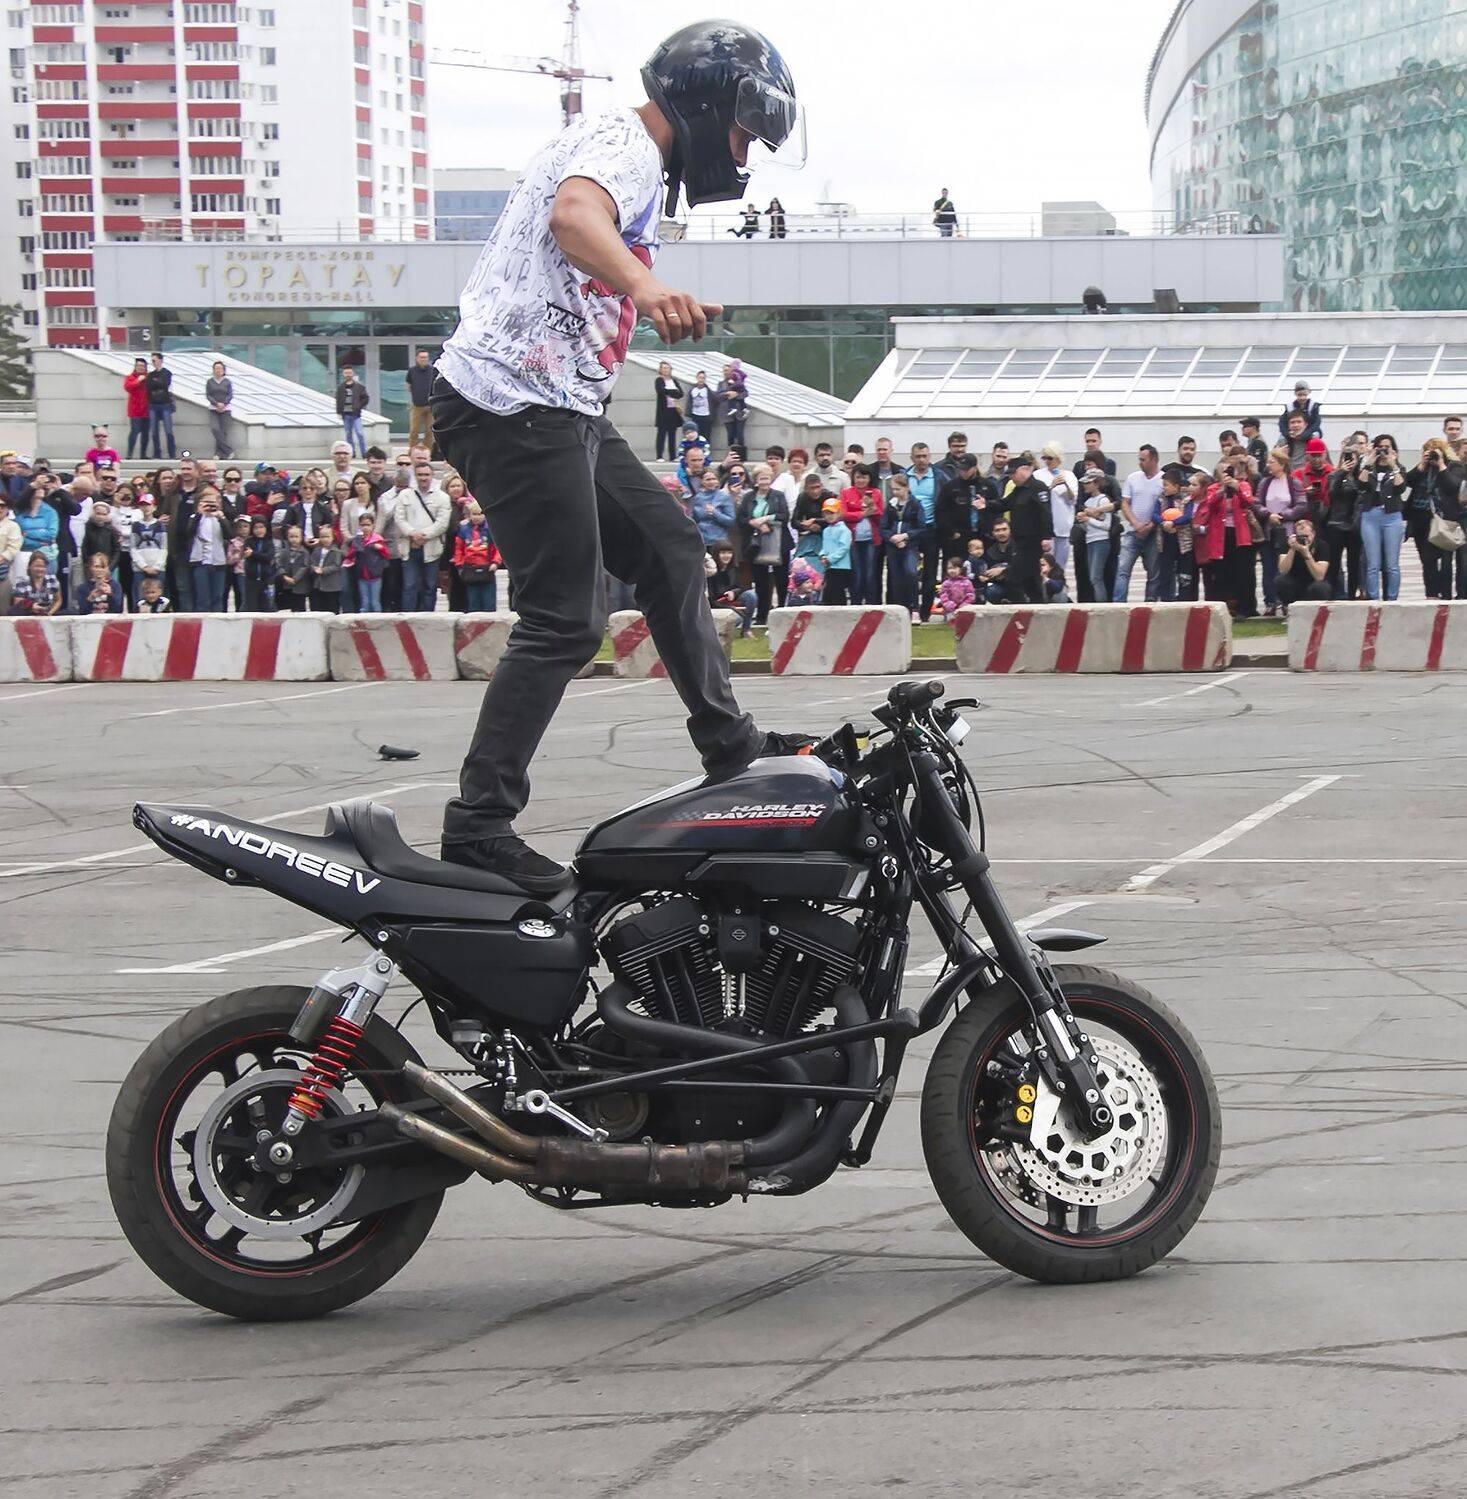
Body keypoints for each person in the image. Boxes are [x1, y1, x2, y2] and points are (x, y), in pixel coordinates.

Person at [427, 20, 804, 887]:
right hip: (510, 401)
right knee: (566, 617)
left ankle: (731, 747)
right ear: (707, 106)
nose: (743, 154)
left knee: (668, 549)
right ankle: (478, 825)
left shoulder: (631, 153)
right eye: (744, 133)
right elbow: (572, 216)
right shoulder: (625, 146)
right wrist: (643, 282)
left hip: (559, 405)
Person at [380, 458, 451, 612]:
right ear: (415, 476)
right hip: (409, 546)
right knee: (409, 585)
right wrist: (413, 534)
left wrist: (423, 536)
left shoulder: (442, 497)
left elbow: (442, 523)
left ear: (432, 476)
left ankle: (428, 618)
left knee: (430, 586)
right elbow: (400, 519)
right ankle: (408, 618)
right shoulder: (405, 495)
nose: (423, 478)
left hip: (432, 547)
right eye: (420, 474)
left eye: (426, 474)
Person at [1192, 460, 1257, 617]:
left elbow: (1248, 502)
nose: (1226, 474)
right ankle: (1223, 607)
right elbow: (1209, 504)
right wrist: (1222, 490)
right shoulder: (1213, 488)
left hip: (1239, 535)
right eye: (1223, 471)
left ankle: (1245, 608)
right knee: (1221, 574)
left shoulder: (1243, 485)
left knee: (1242, 573)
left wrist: (1236, 488)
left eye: (1229, 470)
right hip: (1219, 536)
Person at [1404, 437, 1466, 600]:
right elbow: (1407, 482)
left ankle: (1445, 594)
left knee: (1445, 560)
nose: (1431, 455)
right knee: (1427, 559)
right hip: (1420, 518)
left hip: (1442, 519)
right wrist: (1421, 465)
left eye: (1434, 451)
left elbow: (1453, 487)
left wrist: (1441, 465)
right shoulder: (1423, 468)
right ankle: (1431, 594)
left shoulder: (1454, 466)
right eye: (1427, 451)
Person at [1255, 448, 1307, 615]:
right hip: (1268, 531)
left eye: (1272, 462)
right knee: (1268, 568)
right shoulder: (1264, 483)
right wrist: (1268, 514)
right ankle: (1270, 601)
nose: (1268, 465)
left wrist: (1284, 515)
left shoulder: (1293, 483)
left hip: (1286, 531)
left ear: (1282, 464)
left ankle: (1286, 601)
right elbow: (1256, 503)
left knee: (1285, 567)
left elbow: (1301, 504)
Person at [1112, 445, 1164, 602]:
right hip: (1132, 531)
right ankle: (1119, 603)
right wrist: (1135, 523)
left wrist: (1150, 525)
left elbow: (1164, 506)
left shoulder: (1163, 480)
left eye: (1143, 460)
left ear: (1154, 460)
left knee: (1154, 573)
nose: (1140, 463)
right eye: (1139, 459)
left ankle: (1150, 603)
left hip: (1154, 533)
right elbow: (1125, 503)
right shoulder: (1132, 478)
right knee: (1122, 570)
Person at [1002, 452, 1052, 604]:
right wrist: (986, 505)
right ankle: (1038, 608)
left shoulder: (1038, 488)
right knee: (1030, 581)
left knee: (1013, 578)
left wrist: (1046, 536)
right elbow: (1004, 504)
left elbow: (1045, 513)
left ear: (1025, 470)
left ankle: (1020, 609)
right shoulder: (1018, 490)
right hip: (1020, 541)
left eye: (1013, 473)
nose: (1011, 477)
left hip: (1032, 542)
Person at [839, 461, 883, 605]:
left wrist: (873, 508)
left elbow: (881, 515)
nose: (861, 480)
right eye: (858, 477)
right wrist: (863, 514)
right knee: (856, 574)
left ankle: (871, 604)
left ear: (869, 478)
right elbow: (843, 514)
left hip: (871, 540)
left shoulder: (876, 493)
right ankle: (856, 604)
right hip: (853, 540)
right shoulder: (846, 492)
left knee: (870, 573)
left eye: (864, 477)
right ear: (853, 478)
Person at [1035, 443, 1077, 577]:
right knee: (1045, 566)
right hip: (1046, 529)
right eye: (1044, 458)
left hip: (1063, 527)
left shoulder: (1069, 475)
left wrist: (1066, 485)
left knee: (1060, 568)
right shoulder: (1038, 475)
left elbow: (1073, 500)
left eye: (1050, 458)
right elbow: (1037, 498)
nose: (1047, 461)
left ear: (1058, 458)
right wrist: (1051, 486)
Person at [185, 488, 230, 612]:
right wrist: (199, 514)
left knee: (217, 597)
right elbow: (189, 533)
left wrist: (222, 518)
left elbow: (229, 535)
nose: (209, 506)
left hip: (218, 562)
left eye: (212, 503)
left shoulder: (220, 518)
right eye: (206, 503)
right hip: (200, 562)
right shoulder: (195, 517)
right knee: (202, 598)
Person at [1273, 517, 1331, 612]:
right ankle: (1289, 609)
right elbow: (1283, 570)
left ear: (1313, 534)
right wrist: (1292, 549)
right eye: (1300, 537)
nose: (1304, 540)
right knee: (1280, 581)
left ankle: (1314, 611)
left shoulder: (1322, 546)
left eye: (1307, 536)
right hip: (1295, 581)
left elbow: (1319, 576)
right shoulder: (1288, 544)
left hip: (1313, 581)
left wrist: (1306, 554)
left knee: (1321, 587)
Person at [1076, 468, 1115, 602]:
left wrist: (1088, 519)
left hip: (1101, 540)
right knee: (1093, 577)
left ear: (1097, 483)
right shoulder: (1088, 503)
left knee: (1095, 577)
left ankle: (1102, 604)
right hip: (1090, 540)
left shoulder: (1103, 500)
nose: (1085, 486)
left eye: (1088, 483)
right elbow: (1088, 527)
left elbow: (1106, 526)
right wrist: (1082, 520)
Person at [817, 495, 851, 603]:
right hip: (829, 566)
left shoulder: (844, 530)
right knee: (828, 592)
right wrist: (822, 555)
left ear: (839, 513)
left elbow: (844, 548)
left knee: (837, 592)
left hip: (841, 566)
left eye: (832, 513)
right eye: (826, 514)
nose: (829, 516)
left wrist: (830, 559)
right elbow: (824, 546)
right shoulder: (826, 530)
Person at [8, 551, 60, 616]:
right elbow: (17, 604)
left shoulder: (52, 580)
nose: (40, 569)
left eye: (43, 566)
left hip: (48, 616)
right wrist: (31, 608)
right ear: (29, 566)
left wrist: (50, 613)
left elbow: (58, 600)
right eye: (37, 566)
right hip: (26, 617)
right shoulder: (21, 583)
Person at [306, 523, 344, 614]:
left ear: (333, 537)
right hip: (317, 584)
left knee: (332, 608)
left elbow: (336, 565)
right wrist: (313, 568)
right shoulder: (316, 550)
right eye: (322, 537)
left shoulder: (336, 551)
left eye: (327, 537)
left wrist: (323, 570)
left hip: (332, 586)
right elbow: (311, 563)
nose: (325, 539)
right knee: (317, 608)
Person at [145, 352, 176, 460]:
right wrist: (157, 383)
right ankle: (157, 453)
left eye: (155, 360)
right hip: (153, 404)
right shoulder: (150, 375)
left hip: (165, 403)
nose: (153, 362)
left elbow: (165, 384)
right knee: (154, 431)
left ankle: (171, 453)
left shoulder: (167, 373)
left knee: (168, 430)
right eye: (152, 361)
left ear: (160, 360)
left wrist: (156, 383)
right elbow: (148, 386)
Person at [652, 360, 684, 460]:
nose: (665, 370)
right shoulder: (659, 380)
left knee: (672, 435)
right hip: (663, 412)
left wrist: (670, 393)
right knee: (661, 434)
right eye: (663, 368)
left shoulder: (674, 381)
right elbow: (661, 391)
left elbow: (680, 393)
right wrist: (673, 392)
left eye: (667, 368)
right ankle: (659, 456)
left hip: (673, 411)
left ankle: (673, 456)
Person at [406, 349, 437, 452]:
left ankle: (428, 451)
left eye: (426, 357)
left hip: (430, 406)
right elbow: (408, 385)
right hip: (417, 406)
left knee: (429, 430)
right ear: (417, 358)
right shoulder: (412, 371)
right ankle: (412, 451)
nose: (424, 359)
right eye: (422, 357)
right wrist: (416, 395)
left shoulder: (432, 370)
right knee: (414, 430)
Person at [274, 524, 311, 611]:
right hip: (286, 584)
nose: (294, 539)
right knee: (287, 607)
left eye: (296, 536)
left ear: (301, 538)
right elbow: (279, 564)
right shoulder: (284, 552)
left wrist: (295, 579)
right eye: (291, 537)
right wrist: (284, 576)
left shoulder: (304, 552)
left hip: (300, 586)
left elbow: (305, 566)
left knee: (300, 607)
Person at [336, 365, 370, 457]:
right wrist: (338, 412)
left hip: (356, 414)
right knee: (348, 434)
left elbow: (366, 398)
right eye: (346, 373)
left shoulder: (359, 387)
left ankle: (364, 453)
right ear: (343, 374)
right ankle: (351, 453)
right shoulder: (340, 387)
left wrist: (359, 406)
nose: (348, 375)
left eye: (349, 373)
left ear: (353, 373)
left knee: (360, 433)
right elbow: (338, 400)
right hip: (345, 414)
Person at [978, 517, 1013, 603]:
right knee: (991, 591)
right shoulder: (990, 551)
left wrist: (1003, 570)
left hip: (1018, 584)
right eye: (997, 530)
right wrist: (983, 575)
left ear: (1010, 530)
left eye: (1004, 529)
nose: (1001, 533)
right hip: (998, 584)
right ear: (993, 533)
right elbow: (985, 570)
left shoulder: (1019, 548)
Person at [204, 360, 234, 459]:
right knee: (215, 429)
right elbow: (208, 395)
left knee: (223, 431)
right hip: (214, 409)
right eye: (216, 368)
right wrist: (216, 404)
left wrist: (224, 404)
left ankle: (218, 453)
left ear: (223, 370)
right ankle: (229, 450)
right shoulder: (210, 382)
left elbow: (230, 395)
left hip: (226, 409)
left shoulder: (227, 382)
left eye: (220, 368)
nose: (218, 370)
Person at [123, 359, 151, 460]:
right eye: (138, 366)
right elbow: (127, 387)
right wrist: (138, 380)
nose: (140, 368)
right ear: (135, 367)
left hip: (147, 410)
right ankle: (129, 453)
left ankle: (143, 454)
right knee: (134, 431)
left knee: (146, 433)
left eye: (142, 366)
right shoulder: (130, 377)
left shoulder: (149, 377)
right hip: (135, 410)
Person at [717, 363, 748, 451]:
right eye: (724, 371)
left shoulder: (738, 382)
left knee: (740, 435)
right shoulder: (721, 384)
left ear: (732, 371)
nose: (725, 372)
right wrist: (727, 394)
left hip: (739, 412)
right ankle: (731, 453)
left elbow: (745, 393)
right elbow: (718, 396)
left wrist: (736, 394)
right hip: (727, 413)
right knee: (730, 435)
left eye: (727, 370)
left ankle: (741, 454)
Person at [937, 556, 974, 622]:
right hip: (950, 609)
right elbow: (943, 595)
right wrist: (949, 604)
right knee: (951, 621)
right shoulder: (946, 583)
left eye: (954, 568)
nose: (952, 570)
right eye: (949, 568)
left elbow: (970, 595)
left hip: (964, 608)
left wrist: (964, 605)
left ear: (961, 569)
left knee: (964, 622)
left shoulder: (967, 582)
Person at [0, 493, 19, 615]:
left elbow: (13, 549)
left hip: (3, 574)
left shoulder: (13, 526)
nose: (0, 509)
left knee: (2, 612)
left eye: (2, 506)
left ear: (8, 508)